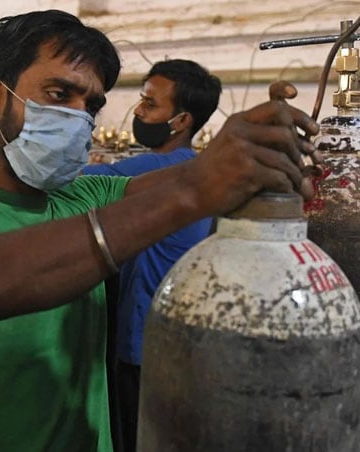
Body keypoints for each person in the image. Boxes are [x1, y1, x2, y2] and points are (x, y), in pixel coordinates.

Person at [0, 9, 319, 452]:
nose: (78, 117)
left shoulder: (86, 197)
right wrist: (195, 191)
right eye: (58, 93)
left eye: (90, 105)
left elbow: (196, 175)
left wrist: (254, 148)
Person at [82, 59, 222, 452]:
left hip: (143, 343)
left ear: (180, 121)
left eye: (149, 103)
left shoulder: (157, 168)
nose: (138, 111)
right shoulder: (192, 168)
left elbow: (76, 186)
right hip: (176, 341)